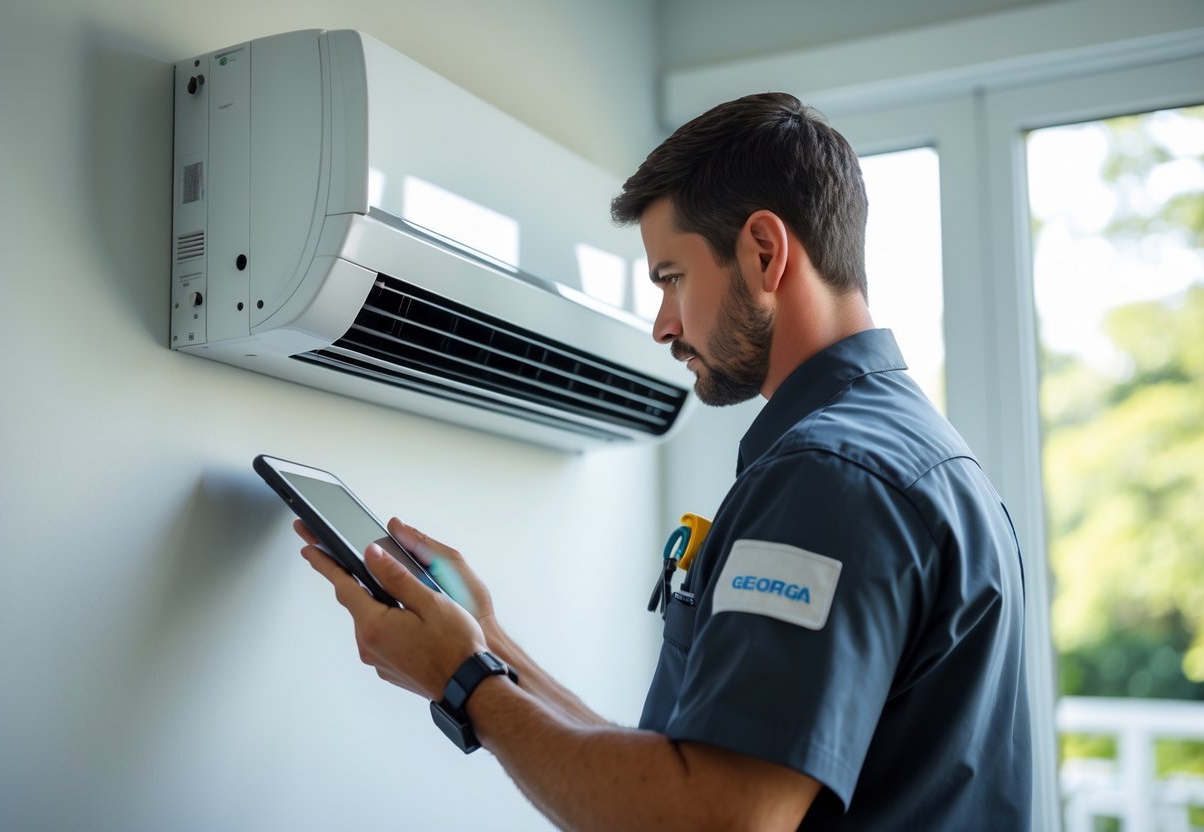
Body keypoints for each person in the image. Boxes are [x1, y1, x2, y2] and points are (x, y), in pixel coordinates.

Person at [296, 92, 1033, 830]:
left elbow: (713, 818)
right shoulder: (916, 455)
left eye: (671, 277)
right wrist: (485, 646)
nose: (663, 325)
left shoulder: (829, 477)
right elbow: (684, 772)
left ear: (764, 252)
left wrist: (462, 683)